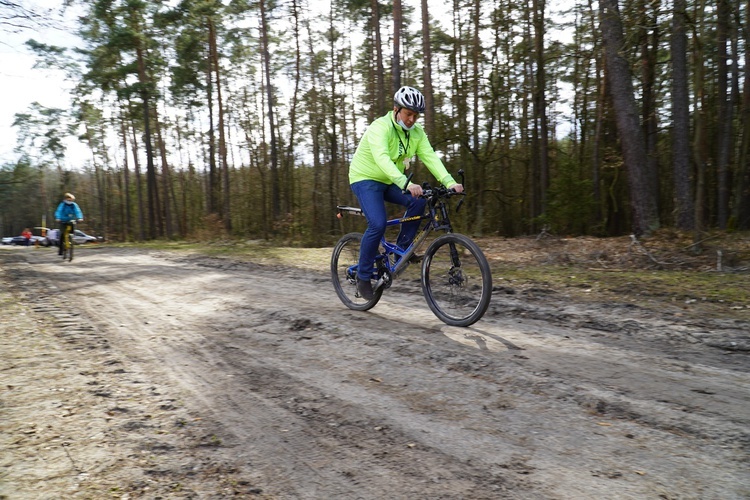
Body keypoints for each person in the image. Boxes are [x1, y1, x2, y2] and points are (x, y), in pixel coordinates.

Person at [348, 86, 463, 299]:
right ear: (396, 109)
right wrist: (405, 182)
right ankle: (363, 276)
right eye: (408, 114)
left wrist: (449, 181)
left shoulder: (417, 133)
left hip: (391, 180)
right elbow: (382, 158)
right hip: (365, 179)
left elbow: (430, 157)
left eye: (415, 115)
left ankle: (401, 252)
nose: (412, 119)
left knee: (419, 202)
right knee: (378, 223)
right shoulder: (380, 127)